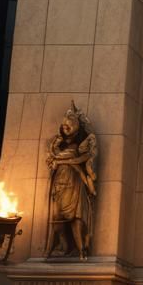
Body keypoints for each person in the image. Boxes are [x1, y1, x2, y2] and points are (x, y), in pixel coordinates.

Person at [44, 101, 98, 260]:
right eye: (64, 126)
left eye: (69, 125)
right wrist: (58, 161)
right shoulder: (57, 144)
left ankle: (81, 249)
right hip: (59, 183)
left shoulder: (82, 142)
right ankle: (62, 245)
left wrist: (67, 162)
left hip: (74, 183)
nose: (66, 128)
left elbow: (87, 157)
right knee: (57, 217)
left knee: (76, 216)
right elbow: (52, 159)